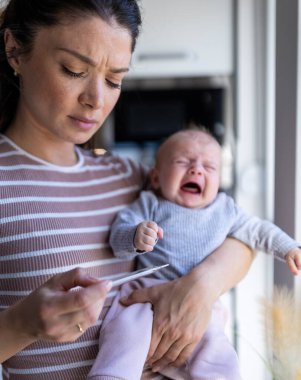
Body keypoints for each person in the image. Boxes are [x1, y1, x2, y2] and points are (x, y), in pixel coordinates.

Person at [0, 1, 255, 379]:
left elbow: (240, 236)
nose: (97, 100)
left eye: (114, 79)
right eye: (74, 70)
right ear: (14, 51)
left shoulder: (130, 177)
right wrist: (23, 325)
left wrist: (199, 289)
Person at [88, 128, 301, 380]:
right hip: (146, 291)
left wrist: (288, 248)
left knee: (216, 351)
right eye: (183, 162)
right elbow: (118, 235)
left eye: (209, 167)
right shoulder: (151, 203)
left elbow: (258, 230)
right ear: (156, 177)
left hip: (202, 306)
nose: (196, 170)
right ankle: (112, 375)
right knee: (125, 331)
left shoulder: (226, 210)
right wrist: (134, 236)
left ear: (219, 180)